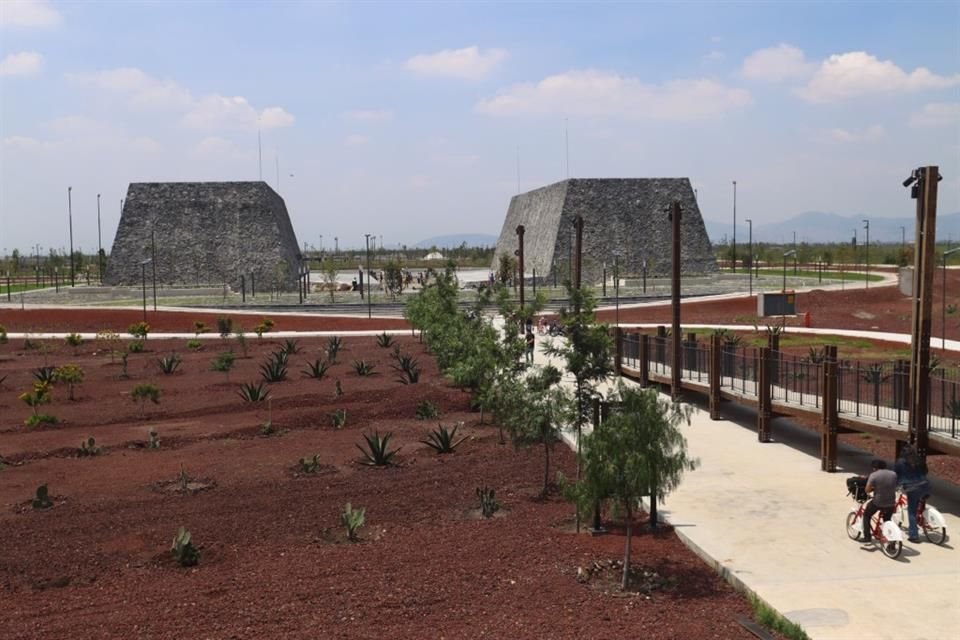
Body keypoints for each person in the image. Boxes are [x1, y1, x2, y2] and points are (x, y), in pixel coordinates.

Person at [894, 445, 930, 543]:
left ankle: (914, 535)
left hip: (912, 488)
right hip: (925, 486)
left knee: (912, 511)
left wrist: (896, 485)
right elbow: (926, 471)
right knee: (920, 501)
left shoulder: (900, 462)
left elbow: (896, 475)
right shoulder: (919, 460)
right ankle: (923, 518)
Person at [863, 459, 897, 543]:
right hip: (891, 502)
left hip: (878, 502)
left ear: (874, 468)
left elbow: (867, 490)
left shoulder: (874, 475)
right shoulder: (893, 474)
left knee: (866, 515)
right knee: (887, 520)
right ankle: (890, 539)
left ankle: (867, 538)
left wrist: (873, 489)